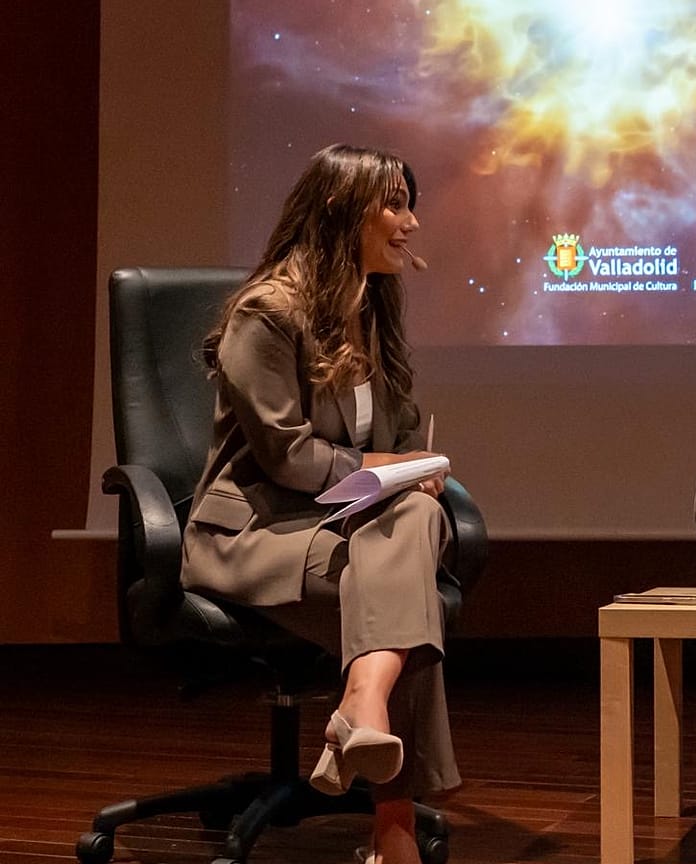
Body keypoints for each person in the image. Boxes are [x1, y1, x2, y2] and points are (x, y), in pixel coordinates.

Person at [182, 143, 455, 864]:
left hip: (344, 525)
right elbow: (289, 457)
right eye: (394, 205)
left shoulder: (375, 305)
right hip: (258, 529)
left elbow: (395, 428)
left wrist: (412, 468)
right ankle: (393, 834)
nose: (411, 223)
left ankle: (358, 717)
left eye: (409, 203)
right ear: (343, 214)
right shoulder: (265, 314)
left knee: (416, 527)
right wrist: (389, 464)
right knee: (399, 599)